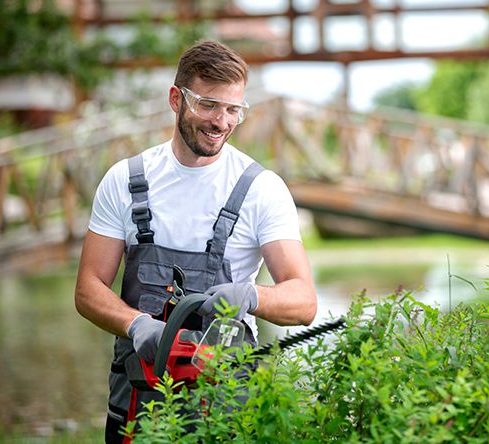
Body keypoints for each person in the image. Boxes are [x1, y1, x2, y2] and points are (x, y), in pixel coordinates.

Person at [74, 39, 317, 443]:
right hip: (138, 399)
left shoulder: (261, 190)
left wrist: (251, 295)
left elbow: (304, 301)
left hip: (227, 402)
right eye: (208, 104)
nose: (221, 121)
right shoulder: (125, 180)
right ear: (176, 98)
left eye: (233, 109)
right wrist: (135, 325)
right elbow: (87, 290)